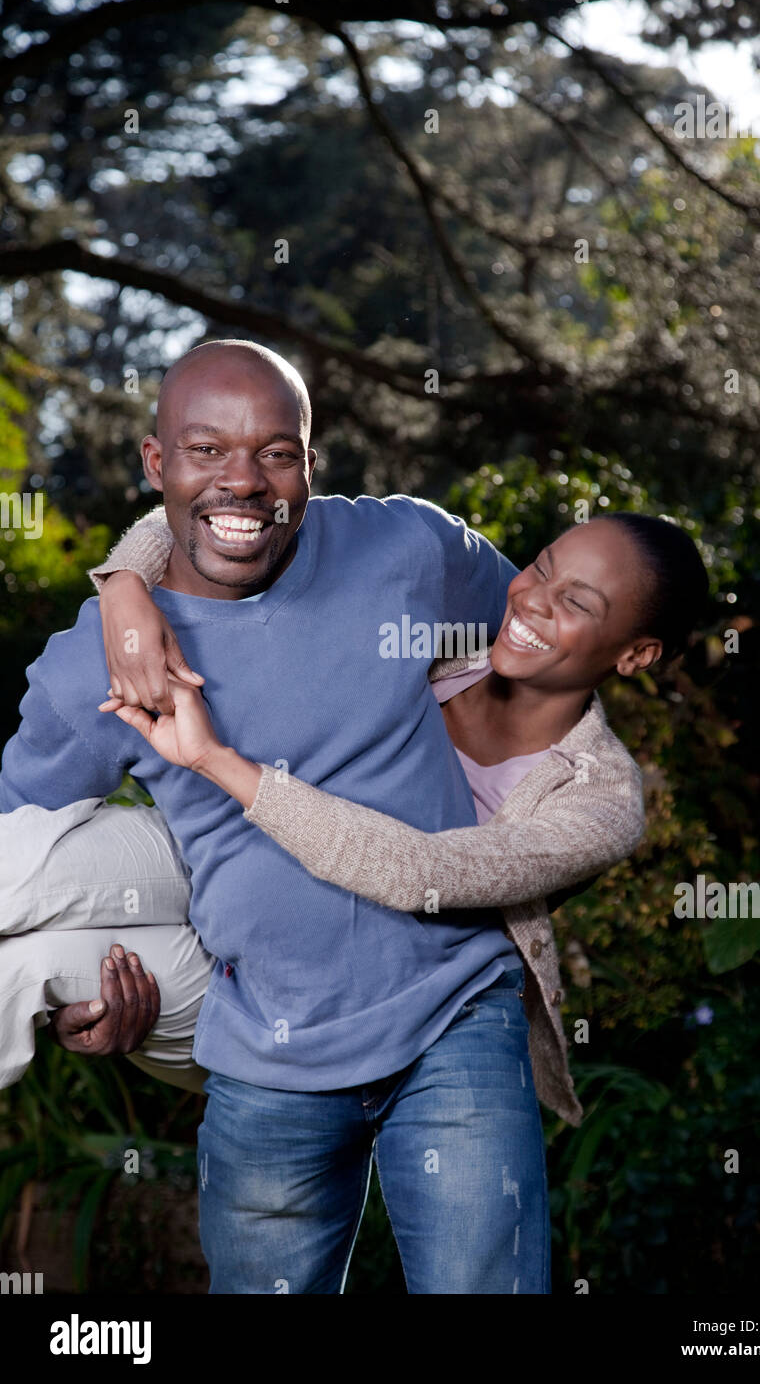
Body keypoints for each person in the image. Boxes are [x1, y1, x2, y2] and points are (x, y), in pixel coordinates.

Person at [0, 339, 706, 1293]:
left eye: (276, 453)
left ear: (309, 462)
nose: (243, 481)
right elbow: (26, 833)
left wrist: (215, 758)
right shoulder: (97, 661)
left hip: (455, 1016)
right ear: (155, 461)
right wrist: (122, 586)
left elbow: (542, 673)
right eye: (204, 450)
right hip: (265, 1037)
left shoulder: (409, 553)